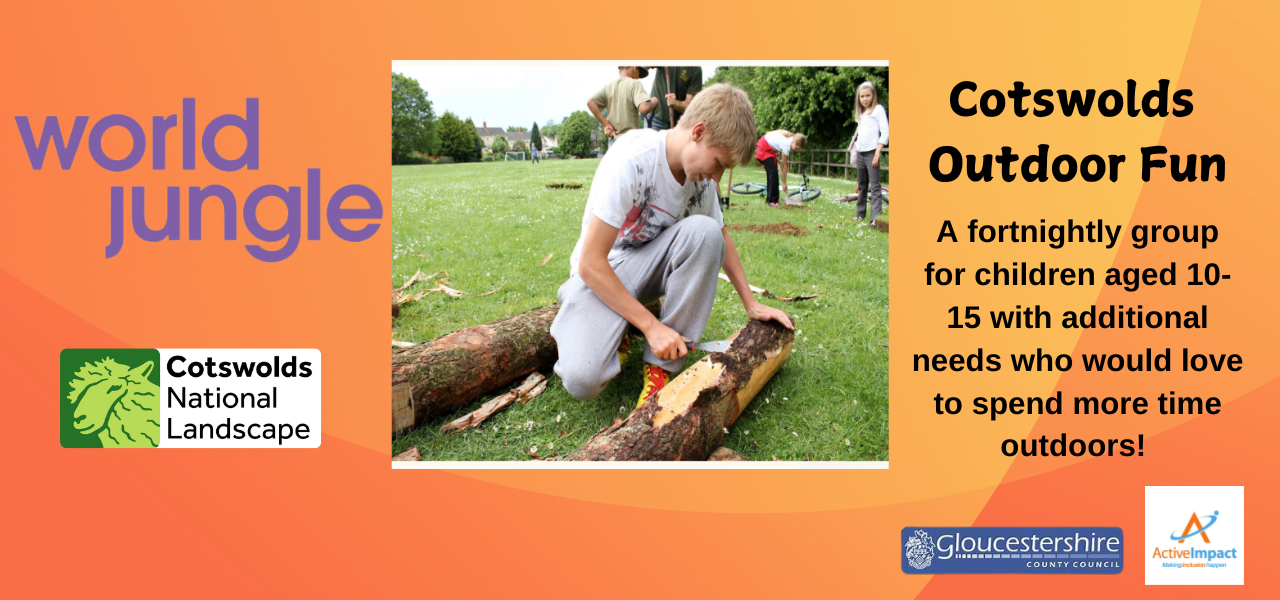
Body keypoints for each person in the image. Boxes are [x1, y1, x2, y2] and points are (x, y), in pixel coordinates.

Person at [551, 84, 794, 407]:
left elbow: (719, 235)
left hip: (647, 272)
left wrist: (751, 303)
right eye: (719, 163)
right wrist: (651, 325)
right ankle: (624, 325)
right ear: (698, 131)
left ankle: (660, 369)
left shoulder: (700, 180)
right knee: (582, 380)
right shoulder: (632, 158)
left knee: (705, 231)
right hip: (601, 274)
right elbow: (590, 263)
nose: (717, 177)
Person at [848, 80, 888, 225]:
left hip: (872, 152)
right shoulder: (861, 112)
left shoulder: (878, 110)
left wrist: (877, 152)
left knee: (875, 185)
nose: (865, 99)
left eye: (867, 96)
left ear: (873, 95)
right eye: (862, 96)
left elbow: (885, 132)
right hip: (861, 151)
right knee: (862, 184)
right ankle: (860, 214)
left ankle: (875, 218)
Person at [588, 67, 659, 148]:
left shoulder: (609, 87)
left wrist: (606, 124)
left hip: (613, 141)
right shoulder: (635, 84)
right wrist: (654, 100)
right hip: (630, 141)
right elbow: (644, 108)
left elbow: (590, 102)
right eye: (639, 73)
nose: (638, 76)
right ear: (634, 68)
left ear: (620, 71)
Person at [754, 130, 806, 206]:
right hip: (764, 148)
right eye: (797, 148)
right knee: (773, 173)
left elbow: (776, 142)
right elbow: (784, 166)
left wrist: (776, 154)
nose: (796, 150)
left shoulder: (790, 137)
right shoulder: (787, 144)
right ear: (794, 141)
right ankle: (772, 200)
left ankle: (770, 198)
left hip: (769, 149)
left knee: (772, 173)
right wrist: (784, 183)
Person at [646, 66, 703, 131]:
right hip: (655, 119)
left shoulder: (695, 69)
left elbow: (690, 106)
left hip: (679, 125)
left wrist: (676, 103)